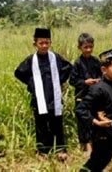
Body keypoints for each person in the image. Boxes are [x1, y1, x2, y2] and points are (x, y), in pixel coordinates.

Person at [14, 28, 73, 161]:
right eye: (41, 43)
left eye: (47, 42)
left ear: (50, 42)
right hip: (39, 98)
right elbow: (18, 73)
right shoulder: (31, 60)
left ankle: (60, 149)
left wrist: (60, 81)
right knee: (40, 125)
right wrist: (31, 84)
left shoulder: (55, 57)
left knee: (57, 122)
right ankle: (42, 151)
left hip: (54, 97)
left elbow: (68, 67)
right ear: (35, 44)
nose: (44, 46)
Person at [69, 33, 101, 153]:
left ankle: (94, 143)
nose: (88, 50)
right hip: (81, 95)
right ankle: (84, 144)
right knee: (83, 120)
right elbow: (72, 80)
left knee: (94, 118)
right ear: (79, 47)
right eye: (85, 47)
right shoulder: (77, 63)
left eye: (90, 47)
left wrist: (98, 80)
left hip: (94, 95)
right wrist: (85, 82)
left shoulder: (96, 61)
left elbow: (102, 75)